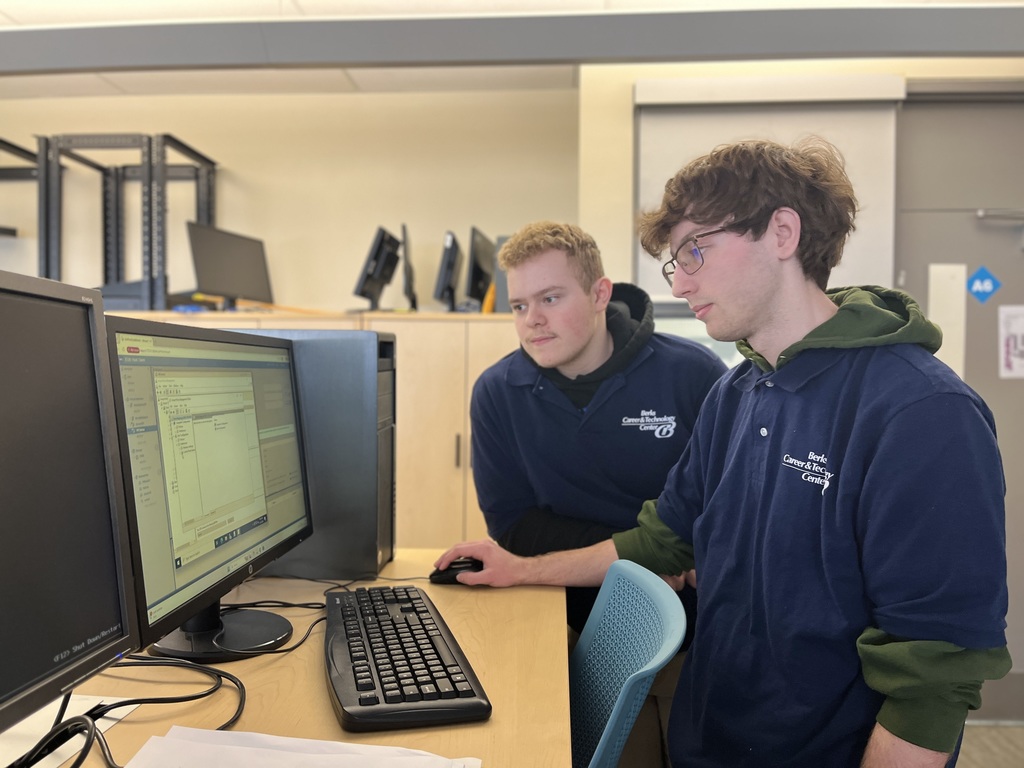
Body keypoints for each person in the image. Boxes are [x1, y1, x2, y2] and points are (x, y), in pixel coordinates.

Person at [438, 138, 1011, 767]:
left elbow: (932, 676)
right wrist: (521, 570)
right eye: (674, 263)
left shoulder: (921, 413)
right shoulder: (737, 392)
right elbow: (661, 541)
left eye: (696, 251)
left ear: (782, 233)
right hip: (709, 735)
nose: (680, 282)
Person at [472, 220, 727, 634]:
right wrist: (638, 560)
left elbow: (728, 507)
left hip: (682, 599)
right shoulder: (496, 391)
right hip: (557, 590)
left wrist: (666, 559)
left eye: (550, 298)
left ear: (599, 294)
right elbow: (512, 524)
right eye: (519, 306)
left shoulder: (693, 374)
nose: (532, 320)